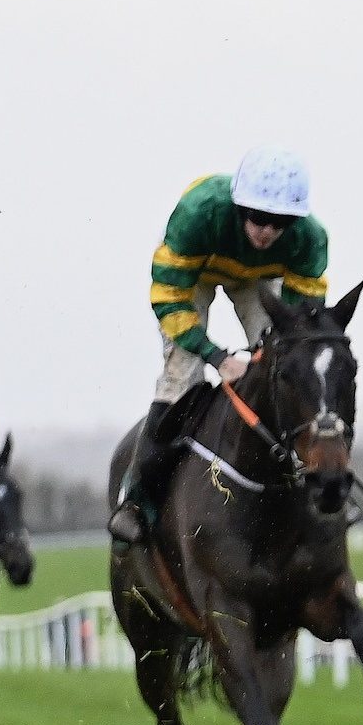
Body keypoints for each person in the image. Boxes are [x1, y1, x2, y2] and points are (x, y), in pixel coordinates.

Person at [107, 146, 328, 545]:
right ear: (239, 206)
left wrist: (276, 351)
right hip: (196, 273)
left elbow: (300, 320)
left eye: (280, 223)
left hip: (260, 278)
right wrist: (215, 355)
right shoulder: (198, 213)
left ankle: (323, 482)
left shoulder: (311, 240)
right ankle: (137, 501)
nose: (267, 231)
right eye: (258, 218)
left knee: (289, 368)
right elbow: (169, 298)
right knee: (182, 376)